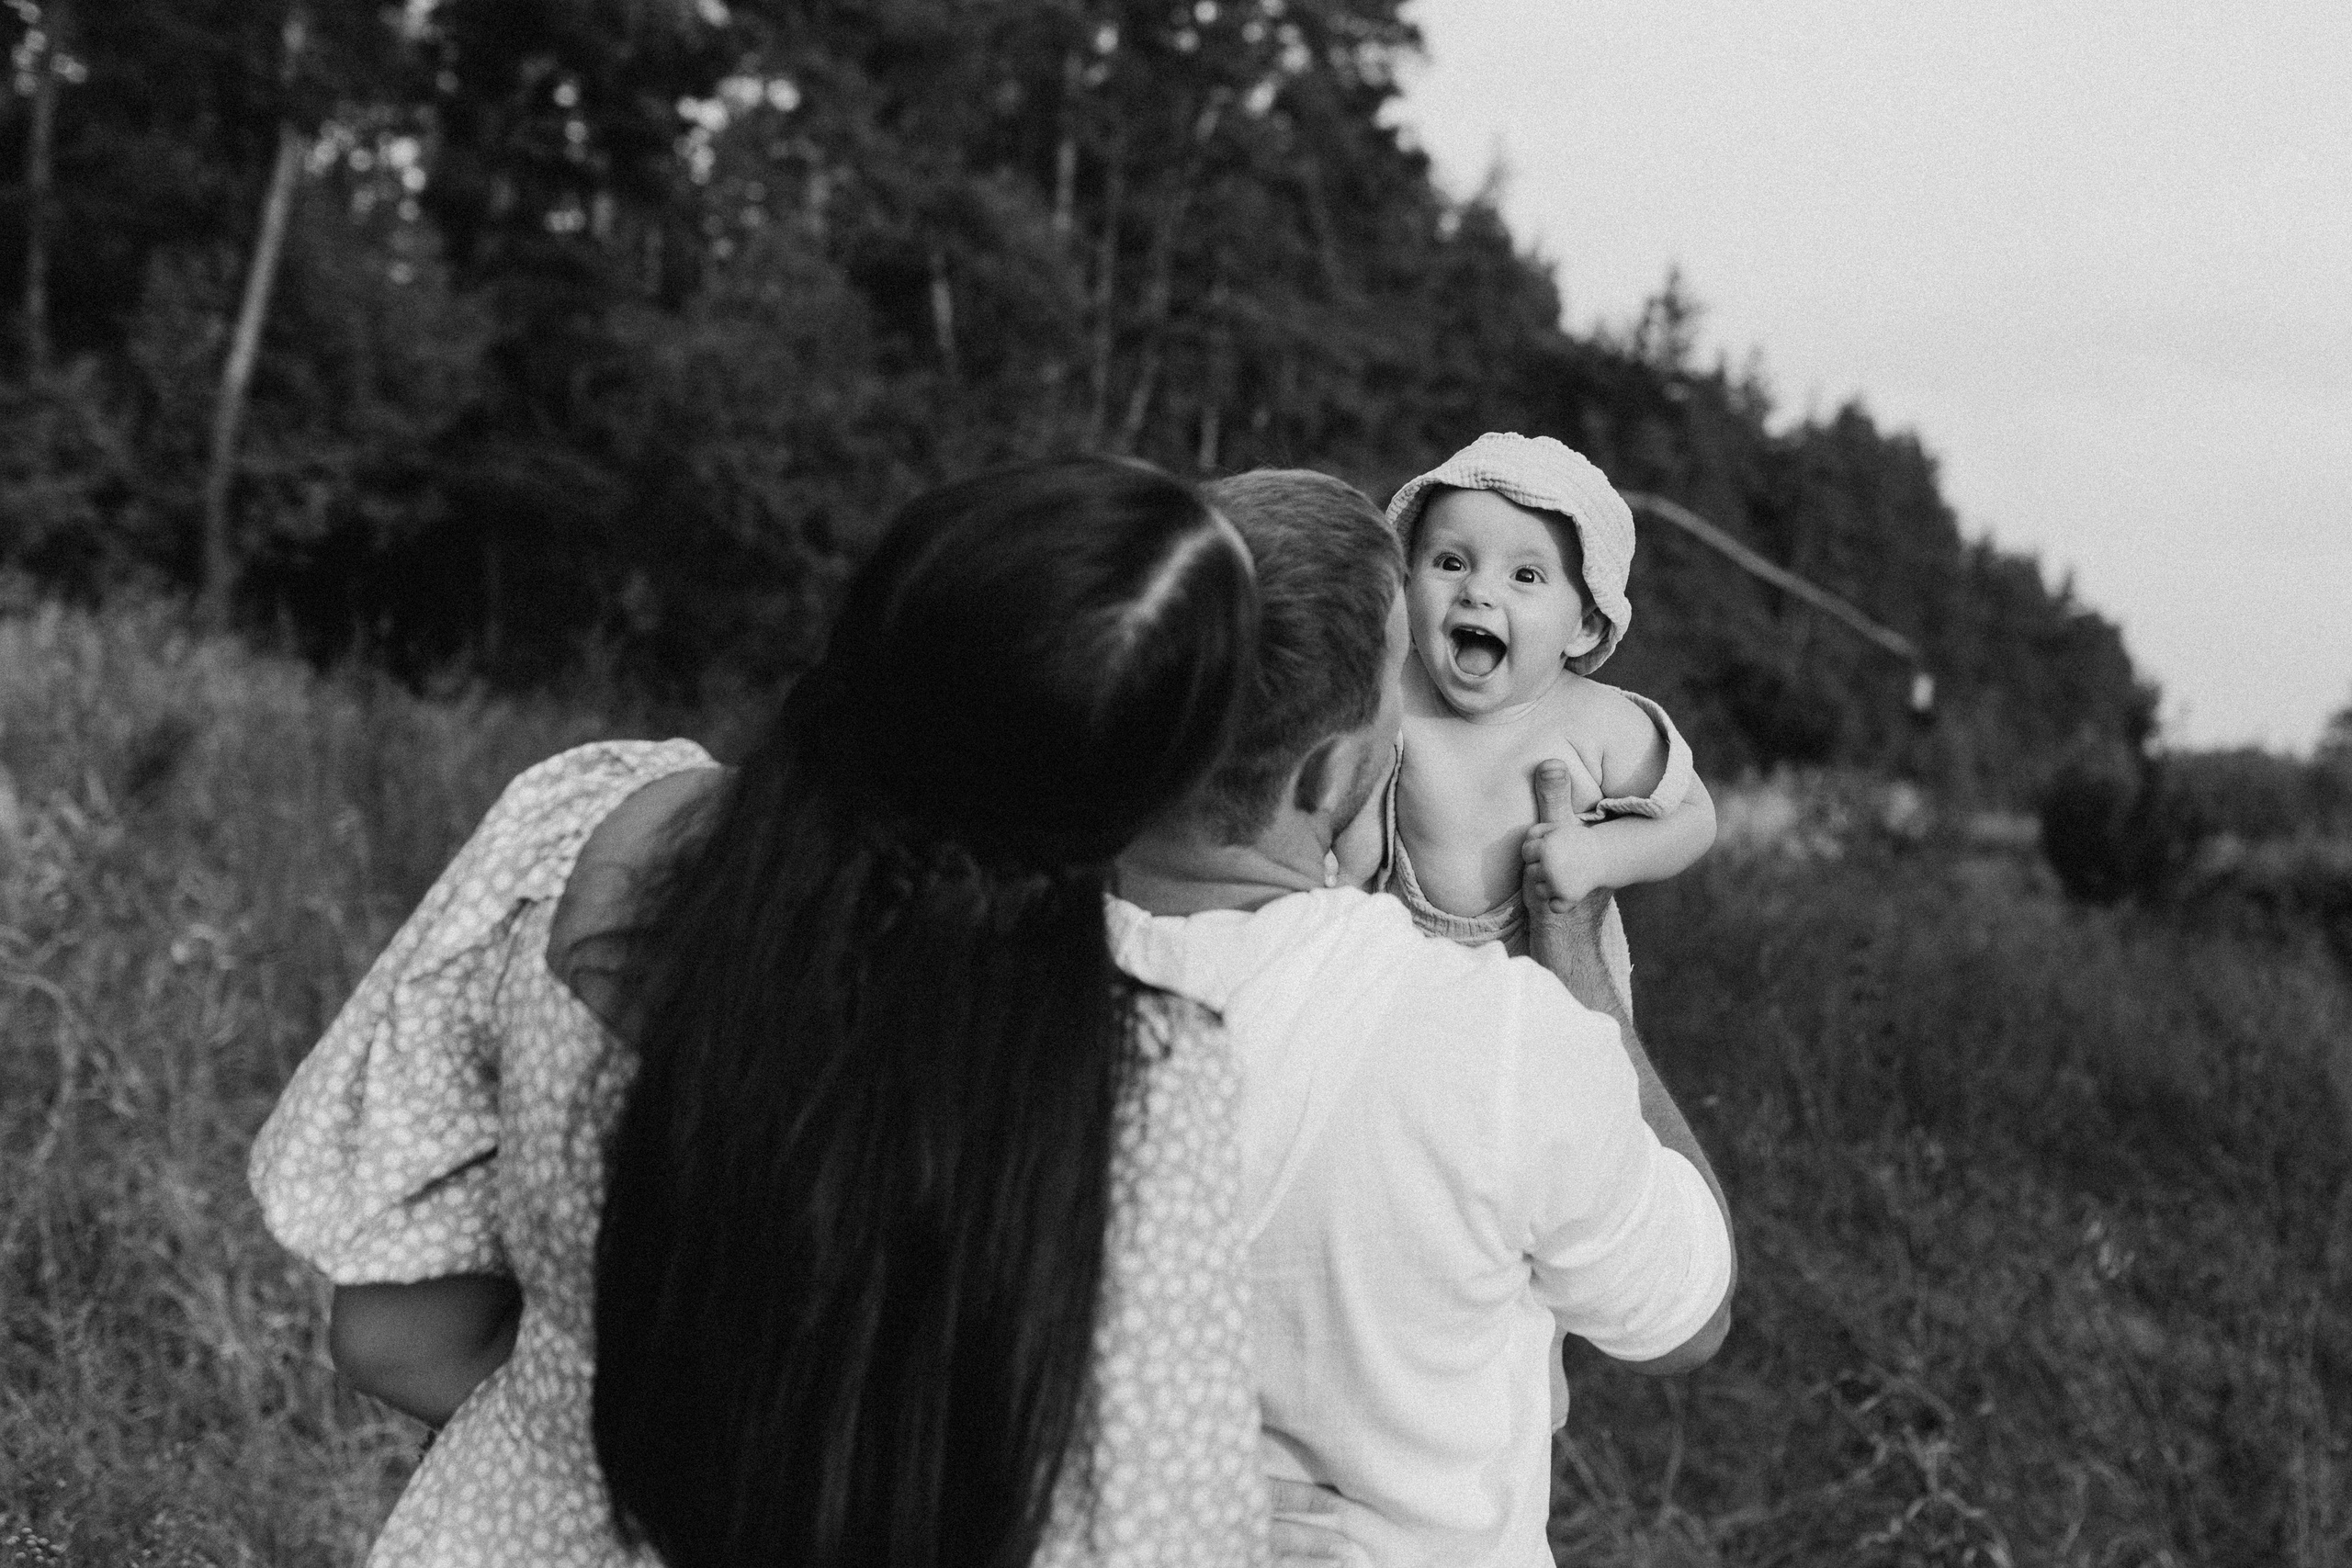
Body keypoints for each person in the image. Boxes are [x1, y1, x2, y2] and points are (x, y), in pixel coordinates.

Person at [248, 457, 1331, 1567]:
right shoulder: (1130, 1083)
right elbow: (1157, 1538)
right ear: (1142, 794)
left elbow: (389, 1338)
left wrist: (578, 1446)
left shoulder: (577, 830)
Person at [1109, 468, 1736, 1566]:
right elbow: (1690, 1315)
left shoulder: (970, 986)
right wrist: (1575, 947)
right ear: (1337, 765)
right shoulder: (1495, 1051)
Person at [1383, 432, 1716, 1015]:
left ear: (1584, 627)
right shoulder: (1393, 691)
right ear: (1408, 582)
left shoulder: (1594, 719)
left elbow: (1695, 820)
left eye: (1526, 576)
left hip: (1553, 988)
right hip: (1409, 970)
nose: (1477, 591)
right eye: (1450, 562)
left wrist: (1598, 857)